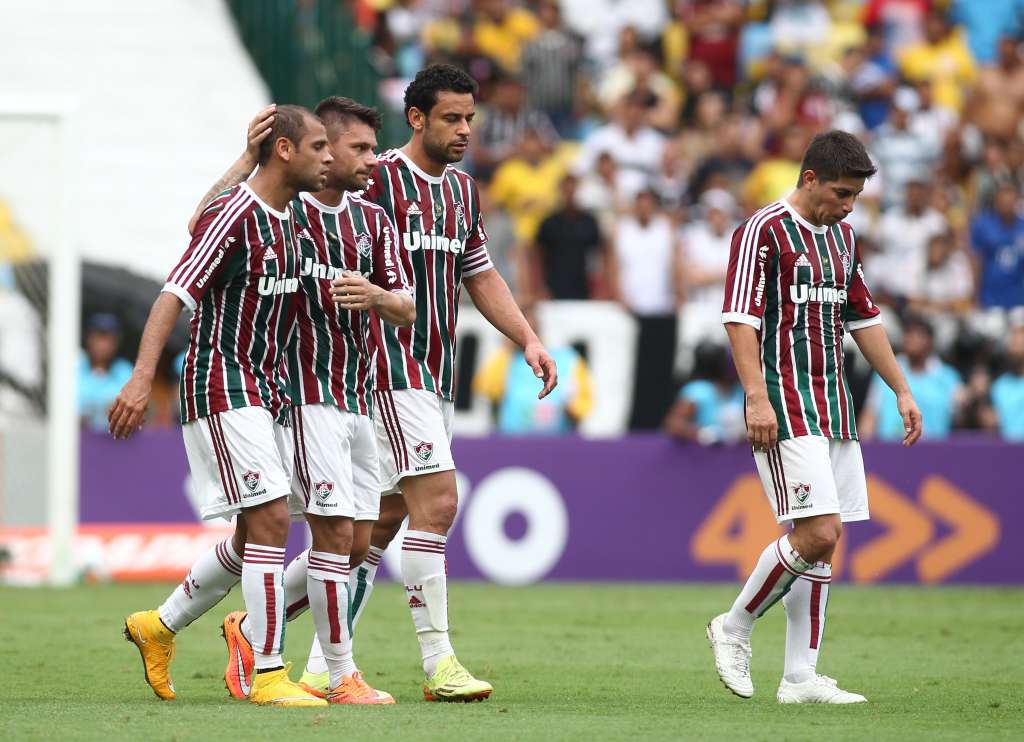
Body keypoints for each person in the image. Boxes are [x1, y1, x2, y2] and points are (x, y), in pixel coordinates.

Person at [112, 104, 333, 707]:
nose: (329, 156)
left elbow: (197, 221)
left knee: (250, 536)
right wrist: (140, 377)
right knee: (268, 521)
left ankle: (158, 626)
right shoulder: (238, 213)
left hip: (269, 390)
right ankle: (266, 673)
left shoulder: (294, 218)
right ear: (284, 150)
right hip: (221, 384)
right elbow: (173, 292)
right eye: (318, 146)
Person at [198, 98, 416, 705]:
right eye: (359, 149)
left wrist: (373, 293)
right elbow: (204, 222)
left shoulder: (373, 222)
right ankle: (334, 670)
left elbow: (408, 307)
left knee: (354, 538)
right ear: (326, 148)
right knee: (328, 534)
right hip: (301, 396)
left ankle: (220, 625)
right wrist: (245, 160)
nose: (372, 160)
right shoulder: (285, 213)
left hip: (360, 396)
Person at [709, 130, 922, 704]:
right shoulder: (764, 230)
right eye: (842, 193)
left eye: (855, 196)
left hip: (834, 406)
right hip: (784, 404)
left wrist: (900, 389)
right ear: (810, 180)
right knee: (816, 532)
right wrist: (755, 395)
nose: (849, 206)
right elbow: (739, 318)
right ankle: (733, 626)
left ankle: (800, 676)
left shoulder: (843, 239)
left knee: (824, 543)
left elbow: (865, 320)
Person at [473, 303, 592, 434]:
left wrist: (573, 408)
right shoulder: (506, 359)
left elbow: (583, 402)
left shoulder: (567, 359)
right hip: (512, 442)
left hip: (558, 443)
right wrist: (506, 349)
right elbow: (487, 389)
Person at [860, 315, 962, 441]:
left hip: (935, 452)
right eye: (908, 334)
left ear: (930, 341)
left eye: (919, 335)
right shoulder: (885, 371)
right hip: (890, 450)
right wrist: (865, 447)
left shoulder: (948, 377)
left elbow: (960, 418)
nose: (912, 339)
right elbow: (870, 413)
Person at [663, 341, 744, 445]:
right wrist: (702, 433)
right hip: (701, 456)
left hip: (740, 456)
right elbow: (673, 424)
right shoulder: (698, 391)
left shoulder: (744, 391)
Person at [78, 313, 133, 432]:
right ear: (88, 338)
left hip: (116, 445)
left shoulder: (125, 370)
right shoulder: (74, 365)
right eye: (98, 337)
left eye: (108, 338)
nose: (103, 345)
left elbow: (135, 415)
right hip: (73, 443)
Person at [991, 316, 1024, 440]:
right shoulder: (999, 386)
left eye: (1017, 340)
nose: (1012, 345)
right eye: (1011, 342)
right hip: (1008, 454)